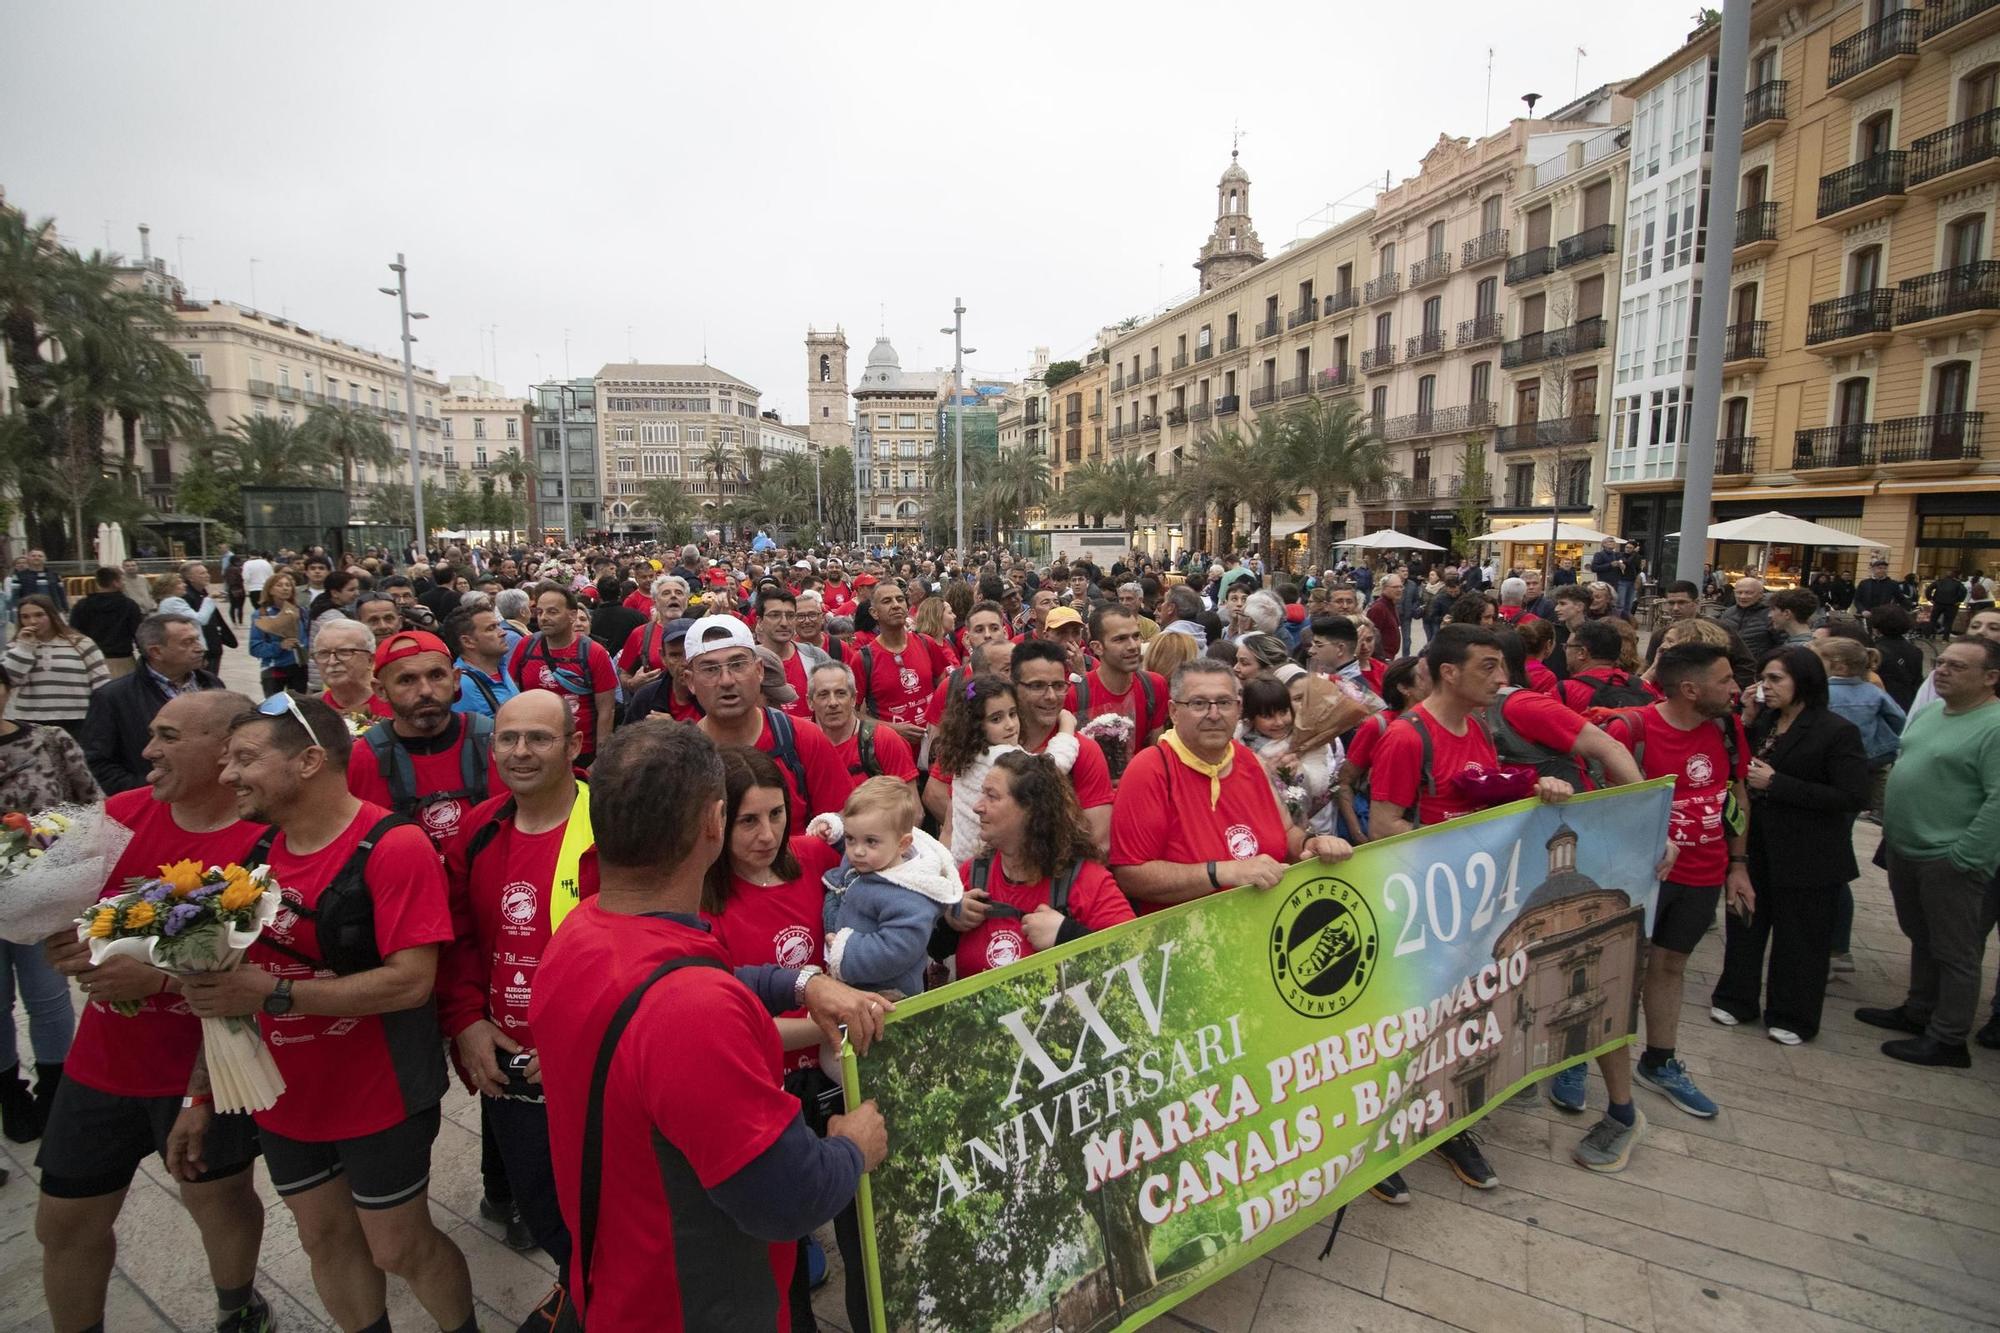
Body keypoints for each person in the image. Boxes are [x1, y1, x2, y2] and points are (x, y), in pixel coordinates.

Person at [528, 720, 891, 1331]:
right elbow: (787, 1198)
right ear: (714, 824)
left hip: (614, 1274)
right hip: (696, 1302)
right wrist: (852, 1146)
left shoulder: (580, 932)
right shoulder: (693, 1011)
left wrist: (800, 982)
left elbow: (687, 975)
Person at [180, 694, 478, 1333]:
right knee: (324, 1239)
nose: (227, 774)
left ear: (310, 761)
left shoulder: (392, 846)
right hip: (284, 1092)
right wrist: (197, 1098)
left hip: (381, 1089)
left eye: (245, 759)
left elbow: (410, 984)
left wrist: (278, 995)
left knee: (398, 1245)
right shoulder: (256, 855)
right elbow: (228, 990)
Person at [36, 691, 272, 1333]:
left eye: (168, 737)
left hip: (206, 1065)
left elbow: (273, 971)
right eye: (151, 736)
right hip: (103, 1061)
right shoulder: (117, 818)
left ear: (226, 750)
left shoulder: (265, 839)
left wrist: (161, 979)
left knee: (218, 1200)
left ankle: (239, 1306)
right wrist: (67, 940)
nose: (147, 752)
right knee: (62, 1222)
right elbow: (73, 920)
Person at [698, 746, 865, 1332]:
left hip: (839, 1073)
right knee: (780, 1252)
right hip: (766, 1089)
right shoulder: (703, 901)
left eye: (775, 816)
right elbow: (731, 1023)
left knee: (862, 1229)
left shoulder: (816, 856)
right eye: (748, 821)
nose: (766, 835)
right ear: (715, 820)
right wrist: (841, 1014)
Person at [1559, 643, 1749, 1127]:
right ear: (1690, 689)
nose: (1736, 689)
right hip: (1634, 877)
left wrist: (1738, 863)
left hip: (1703, 873)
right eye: (1726, 680)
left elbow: (1738, 792)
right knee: (1611, 969)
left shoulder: (1728, 728)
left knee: (1671, 965)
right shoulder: (1631, 730)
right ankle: (1574, 1058)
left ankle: (1660, 1059)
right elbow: (1596, 808)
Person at [440, 691, 596, 1272]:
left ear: (574, 746)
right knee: (542, 1207)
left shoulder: (611, 821)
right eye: (508, 739)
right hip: (509, 1065)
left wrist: (580, 1037)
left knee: (601, 1211)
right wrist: (465, 1023)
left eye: (539, 738)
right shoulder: (480, 829)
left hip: (592, 1063)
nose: (521, 752)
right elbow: (456, 938)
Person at [1702, 646, 1867, 1050]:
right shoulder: (1763, 723)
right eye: (1763, 678)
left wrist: (1778, 784)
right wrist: (1747, 719)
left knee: (1801, 937)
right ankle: (1736, 997)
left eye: (1776, 679)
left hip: (1809, 851)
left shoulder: (1836, 731)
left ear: (1804, 682)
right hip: (1755, 844)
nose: (1765, 687)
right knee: (1746, 921)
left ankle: (1794, 1013)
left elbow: (1850, 794)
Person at [1110, 659, 1353, 913]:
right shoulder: (1150, 770)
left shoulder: (1250, 761)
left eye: (1224, 703)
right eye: (1198, 703)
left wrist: (1308, 845)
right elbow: (1130, 875)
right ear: (1174, 712)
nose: (1213, 714)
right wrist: (1223, 872)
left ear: (1238, 710)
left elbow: (1287, 831)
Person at [1860, 636, 2000, 1066]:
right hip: (1909, 849)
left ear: (1990, 678)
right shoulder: (1936, 711)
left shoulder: (1994, 725)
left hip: (1949, 857)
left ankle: (1948, 1038)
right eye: (1941, 662)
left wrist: (1965, 855)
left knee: (1956, 950)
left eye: (1957, 666)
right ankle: (1919, 1010)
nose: (1942, 671)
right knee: (1922, 936)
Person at [0, 670, 97, 1143]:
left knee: (49, 993)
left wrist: (69, 853)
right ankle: (9, 1095)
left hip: (44, 890)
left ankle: (57, 1090)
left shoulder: (50, 740)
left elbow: (90, 802)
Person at [947, 749, 1134, 980]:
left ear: (1031, 811)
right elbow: (934, 951)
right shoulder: (972, 873)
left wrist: (1066, 935)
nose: (977, 806)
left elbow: (1135, 957)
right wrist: (948, 919)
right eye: (981, 794)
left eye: (992, 796)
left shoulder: (1087, 881)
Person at [346, 630, 499, 859]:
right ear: (380, 690)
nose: (426, 691)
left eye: (437, 676)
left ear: (456, 679)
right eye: (407, 680)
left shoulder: (497, 743)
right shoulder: (360, 761)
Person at [686, 616, 855, 819]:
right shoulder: (679, 759)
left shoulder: (804, 738)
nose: (726, 680)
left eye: (737, 664)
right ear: (690, 681)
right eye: (710, 669)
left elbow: (844, 823)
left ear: (759, 670)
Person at [931, 675, 1077, 859]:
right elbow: (1053, 766)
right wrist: (1066, 728)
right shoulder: (998, 756)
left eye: (1013, 713)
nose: (1010, 725)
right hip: (989, 863)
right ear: (976, 726)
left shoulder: (965, 758)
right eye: (996, 719)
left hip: (963, 861)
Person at [81, 613, 220, 795]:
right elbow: (96, 762)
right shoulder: (114, 697)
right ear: (156, 652)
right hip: (154, 800)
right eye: (187, 642)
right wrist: (148, 789)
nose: (200, 648)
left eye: (197, 640)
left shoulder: (211, 684)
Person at [1011, 641, 1116, 850]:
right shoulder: (991, 737)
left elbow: (1099, 842)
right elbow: (939, 795)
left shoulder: (1084, 750)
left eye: (1059, 686)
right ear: (1013, 686)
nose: (1050, 697)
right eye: (1037, 686)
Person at [508, 583, 618, 766]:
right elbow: (513, 695)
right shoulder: (525, 646)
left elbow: (606, 710)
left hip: (580, 752)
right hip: (533, 749)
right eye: (540, 612)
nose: (544, 618)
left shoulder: (594, 653)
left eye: (552, 612)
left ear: (572, 615)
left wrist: (601, 758)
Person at [4, 594, 108, 739]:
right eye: (25, 617)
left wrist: (101, 715)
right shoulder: (15, 646)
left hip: (77, 718)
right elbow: (8, 681)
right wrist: (24, 648)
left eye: (39, 615)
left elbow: (101, 682)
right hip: (30, 719)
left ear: (52, 615)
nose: (32, 621)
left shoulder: (81, 643)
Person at [808, 661, 917, 783]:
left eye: (841, 693)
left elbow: (910, 799)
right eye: (823, 695)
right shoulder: (806, 749)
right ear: (810, 702)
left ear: (854, 698)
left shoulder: (885, 740)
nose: (833, 702)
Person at [755, 584, 830, 722]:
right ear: (759, 622)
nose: (784, 623)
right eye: (774, 615)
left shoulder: (817, 657)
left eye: (790, 615)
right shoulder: (749, 663)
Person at [616, 573, 692, 693]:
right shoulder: (640, 633)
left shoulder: (700, 630)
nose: (673, 596)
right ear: (655, 602)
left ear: (686, 601)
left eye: (679, 593)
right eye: (666, 593)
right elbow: (624, 674)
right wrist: (632, 683)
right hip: (654, 706)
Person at [441, 604, 519, 719]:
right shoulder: (462, 686)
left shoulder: (500, 667)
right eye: (491, 628)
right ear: (468, 642)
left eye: (498, 625)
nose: (503, 632)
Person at [69, 567, 144, 679]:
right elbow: (138, 634)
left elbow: (74, 633)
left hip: (91, 660)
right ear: (116, 583)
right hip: (122, 659)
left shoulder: (82, 605)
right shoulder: (129, 605)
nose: (124, 583)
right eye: (122, 580)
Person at [247, 570, 307, 697]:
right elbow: (254, 648)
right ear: (270, 590)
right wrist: (279, 646)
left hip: (299, 668)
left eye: (288, 585)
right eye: (279, 585)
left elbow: (308, 638)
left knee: (300, 707)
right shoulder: (261, 614)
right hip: (274, 670)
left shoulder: (301, 612)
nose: (285, 588)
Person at [1868, 605, 1925, 713]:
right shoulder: (1916, 651)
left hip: (1883, 705)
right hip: (1907, 704)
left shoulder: (1874, 651)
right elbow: (1917, 681)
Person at [8, 549, 68, 614]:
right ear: (28, 559)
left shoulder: (54, 575)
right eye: (33, 556)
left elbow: (61, 594)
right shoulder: (18, 576)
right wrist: (15, 610)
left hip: (54, 611)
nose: (36, 558)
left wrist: (65, 609)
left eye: (40, 556)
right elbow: (15, 596)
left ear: (45, 559)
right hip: (30, 612)